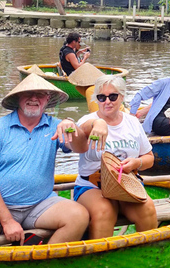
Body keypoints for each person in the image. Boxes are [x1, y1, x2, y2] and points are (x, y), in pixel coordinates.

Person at [0, 74, 89, 246]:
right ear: (18, 98)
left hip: (40, 204)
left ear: (47, 99)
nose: (34, 98)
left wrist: (71, 124)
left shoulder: (56, 126)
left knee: (79, 216)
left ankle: (45, 262)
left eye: (40, 94)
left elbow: (82, 147)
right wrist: (7, 221)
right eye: (28, 94)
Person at [58, 75, 157, 239]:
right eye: (101, 97)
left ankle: (148, 255)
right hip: (92, 186)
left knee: (148, 208)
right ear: (96, 99)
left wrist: (136, 162)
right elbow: (77, 135)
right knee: (105, 212)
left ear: (122, 97)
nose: (107, 102)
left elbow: (149, 158)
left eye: (113, 96)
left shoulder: (132, 123)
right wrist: (87, 124)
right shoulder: (89, 121)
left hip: (126, 184)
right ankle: (101, 260)